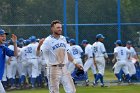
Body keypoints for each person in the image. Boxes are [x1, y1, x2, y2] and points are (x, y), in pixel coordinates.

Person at [36, 20, 82, 93]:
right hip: (53, 68)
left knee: (72, 90)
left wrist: (75, 63)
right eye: (57, 27)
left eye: (60, 27)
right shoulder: (48, 40)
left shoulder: (63, 38)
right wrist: (39, 46)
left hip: (64, 67)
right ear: (52, 29)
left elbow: (67, 53)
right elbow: (38, 54)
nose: (60, 29)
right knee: (54, 91)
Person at [0, 29, 18, 93]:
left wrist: (15, 43)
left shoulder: (3, 48)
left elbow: (15, 54)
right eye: (2, 36)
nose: (4, 38)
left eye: (4, 36)